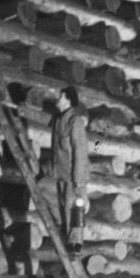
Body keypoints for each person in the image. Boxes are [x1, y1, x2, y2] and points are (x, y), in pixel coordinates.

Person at [51, 86, 90, 252]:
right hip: (59, 174)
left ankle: (75, 245)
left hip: (73, 177)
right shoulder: (60, 120)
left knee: (74, 209)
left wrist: (78, 183)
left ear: (67, 100)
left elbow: (80, 154)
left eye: (60, 97)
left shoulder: (76, 122)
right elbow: (41, 116)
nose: (57, 100)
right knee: (58, 205)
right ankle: (65, 235)